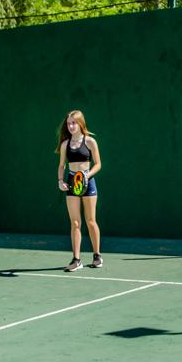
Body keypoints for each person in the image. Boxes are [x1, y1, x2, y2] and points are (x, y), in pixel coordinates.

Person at [57, 109, 103, 271]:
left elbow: (98, 164)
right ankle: (76, 260)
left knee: (90, 221)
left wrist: (86, 176)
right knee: (75, 222)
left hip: (88, 182)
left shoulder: (90, 141)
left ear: (80, 123)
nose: (71, 126)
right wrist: (60, 181)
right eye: (68, 123)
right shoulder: (65, 144)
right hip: (72, 183)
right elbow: (61, 165)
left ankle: (97, 255)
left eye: (74, 123)